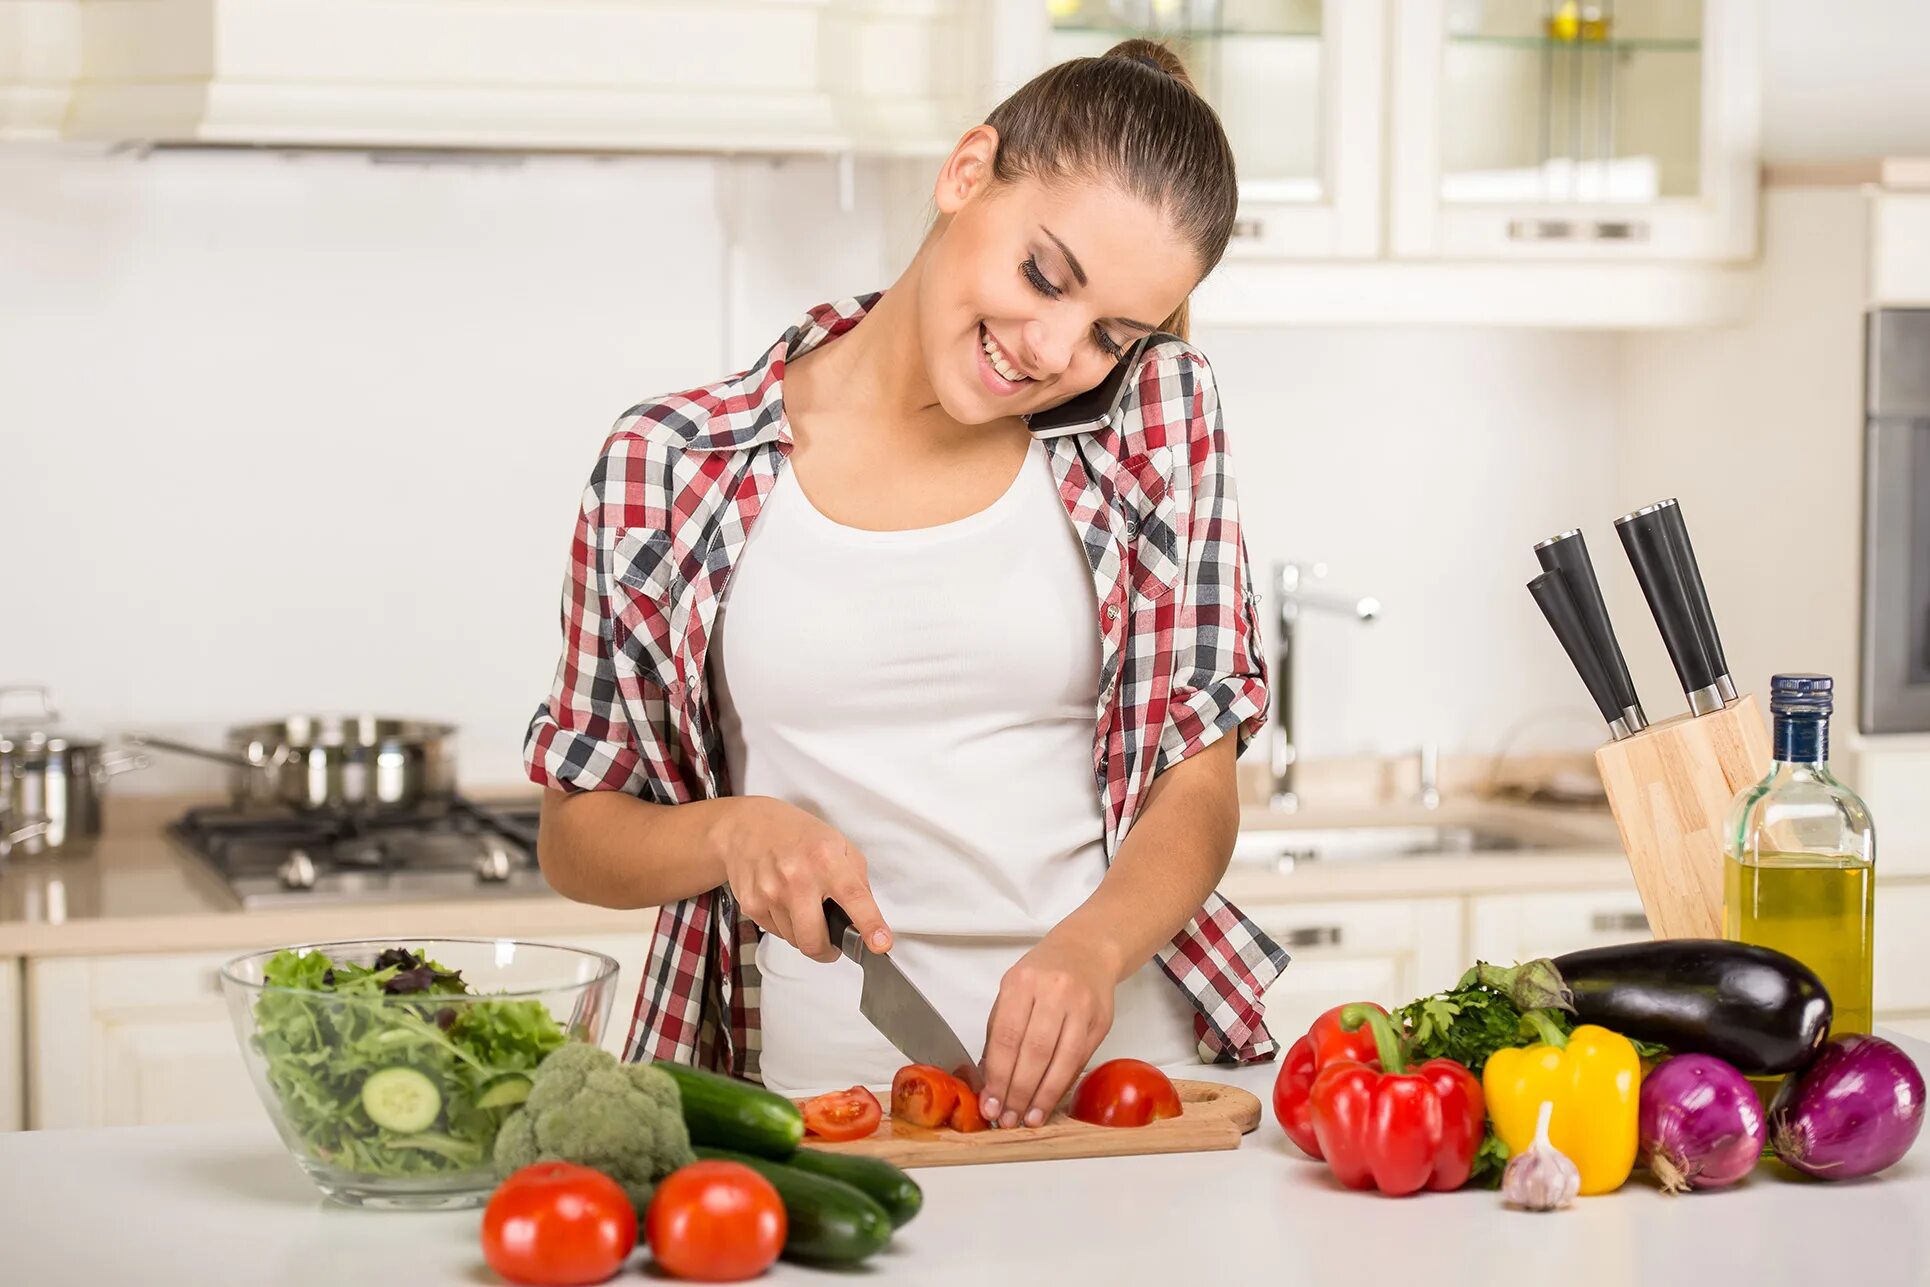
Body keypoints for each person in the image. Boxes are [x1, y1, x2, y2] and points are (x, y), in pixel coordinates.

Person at [524, 38, 1286, 1132]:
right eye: (1043, 275)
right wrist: (728, 832)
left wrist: (1092, 947)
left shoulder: (1156, 416)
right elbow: (576, 832)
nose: (1052, 348)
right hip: (820, 1099)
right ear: (966, 171)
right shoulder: (673, 465)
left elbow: (1198, 783)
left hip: (1123, 1094)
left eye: (1110, 334)